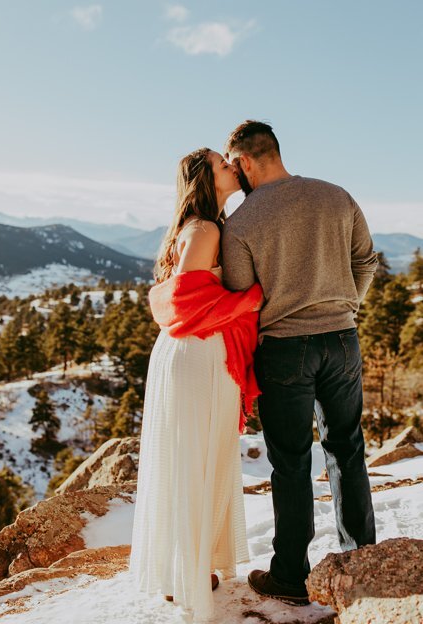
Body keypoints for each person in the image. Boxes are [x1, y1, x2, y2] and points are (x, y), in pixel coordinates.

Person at [222, 120, 379, 608]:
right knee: (347, 449)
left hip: (285, 348)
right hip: (342, 339)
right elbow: (367, 261)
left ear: (245, 162)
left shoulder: (242, 223)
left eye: (234, 166)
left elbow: (242, 296)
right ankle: (364, 563)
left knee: (290, 463)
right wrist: (343, 306)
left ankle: (290, 576)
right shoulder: (337, 196)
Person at [129, 147, 261, 622]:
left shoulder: (201, 226)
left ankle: (183, 566)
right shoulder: (205, 229)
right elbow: (185, 303)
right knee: (198, 458)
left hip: (189, 354)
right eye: (221, 163)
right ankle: (187, 571)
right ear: (205, 178)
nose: (232, 165)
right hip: (199, 354)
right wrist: (252, 300)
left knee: (189, 458)